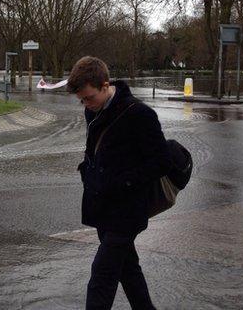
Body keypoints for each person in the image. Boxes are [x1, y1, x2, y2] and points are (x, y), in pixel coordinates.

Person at [68, 56, 171, 310]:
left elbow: (160, 162)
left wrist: (123, 182)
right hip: (102, 206)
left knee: (101, 276)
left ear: (105, 85)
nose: (85, 104)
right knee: (128, 269)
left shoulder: (140, 114)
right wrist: (88, 173)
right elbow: (93, 151)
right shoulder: (91, 110)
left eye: (89, 97)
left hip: (128, 210)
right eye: (81, 100)